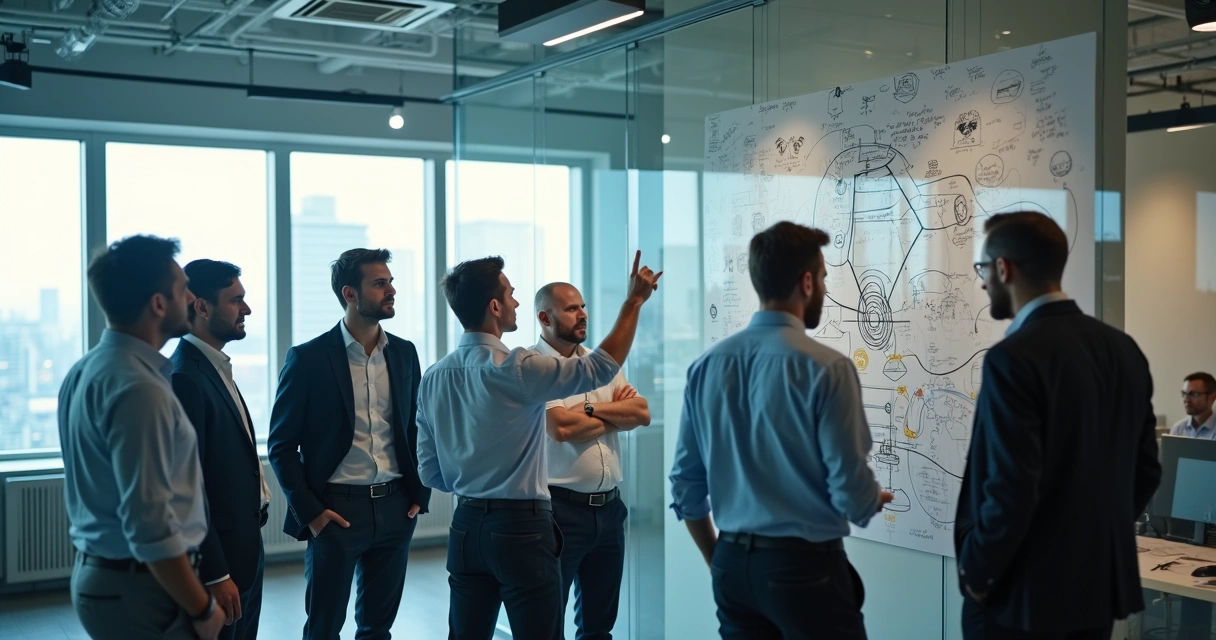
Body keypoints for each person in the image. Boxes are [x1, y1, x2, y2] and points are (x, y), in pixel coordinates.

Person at [417, 251, 661, 640]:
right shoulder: (517, 366)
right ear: (494, 307)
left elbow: (430, 471)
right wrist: (633, 302)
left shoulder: (433, 376)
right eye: (511, 295)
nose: (516, 302)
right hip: (522, 526)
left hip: (465, 525)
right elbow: (600, 369)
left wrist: (477, 486)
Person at [669, 221, 890, 640]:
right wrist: (868, 501)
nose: (823, 287)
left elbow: (685, 484)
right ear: (806, 282)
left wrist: (718, 557)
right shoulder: (827, 368)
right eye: (823, 277)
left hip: (732, 564)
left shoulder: (706, 366)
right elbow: (850, 491)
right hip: (804, 569)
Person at [956, 211, 1161, 639]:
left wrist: (978, 574)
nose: (981, 282)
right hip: (1093, 593)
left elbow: (1010, 487)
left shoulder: (1012, 358)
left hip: (1019, 597)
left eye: (982, 270)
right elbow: (1146, 471)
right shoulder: (1123, 350)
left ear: (1003, 268)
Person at [59, 235, 226, 640]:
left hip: (109, 577)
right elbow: (149, 525)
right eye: (182, 289)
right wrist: (203, 608)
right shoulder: (139, 388)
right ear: (158, 304)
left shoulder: (86, 369)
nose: (191, 298)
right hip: (141, 587)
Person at [267, 248, 430, 640]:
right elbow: (281, 445)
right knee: (323, 628)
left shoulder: (405, 353)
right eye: (380, 283)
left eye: (390, 281)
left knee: (377, 628)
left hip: (396, 508)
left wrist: (418, 493)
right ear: (350, 293)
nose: (391, 289)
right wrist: (313, 513)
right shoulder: (307, 359)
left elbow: (418, 428)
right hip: (336, 511)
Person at [531, 282, 651, 640]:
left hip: (610, 511)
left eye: (582, 306)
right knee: (548, 623)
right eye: (571, 309)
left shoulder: (602, 363)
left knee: (600, 627)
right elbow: (561, 427)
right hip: (560, 513)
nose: (582, 314)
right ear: (544, 317)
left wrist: (587, 408)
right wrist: (615, 411)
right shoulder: (533, 365)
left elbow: (641, 413)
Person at [170, 259, 270, 640]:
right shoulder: (185, 378)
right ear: (201, 306)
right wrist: (216, 572)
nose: (246, 309)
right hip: (221, 560)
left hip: (244, 546)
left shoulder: (213, 366)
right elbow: (187, 488)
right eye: (236, 300)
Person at [1172, 372, 1216, 438]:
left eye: (1194, 394)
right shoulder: (1179, 429)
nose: (1186, 399)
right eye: (1184, 394)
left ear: (1212, 397)